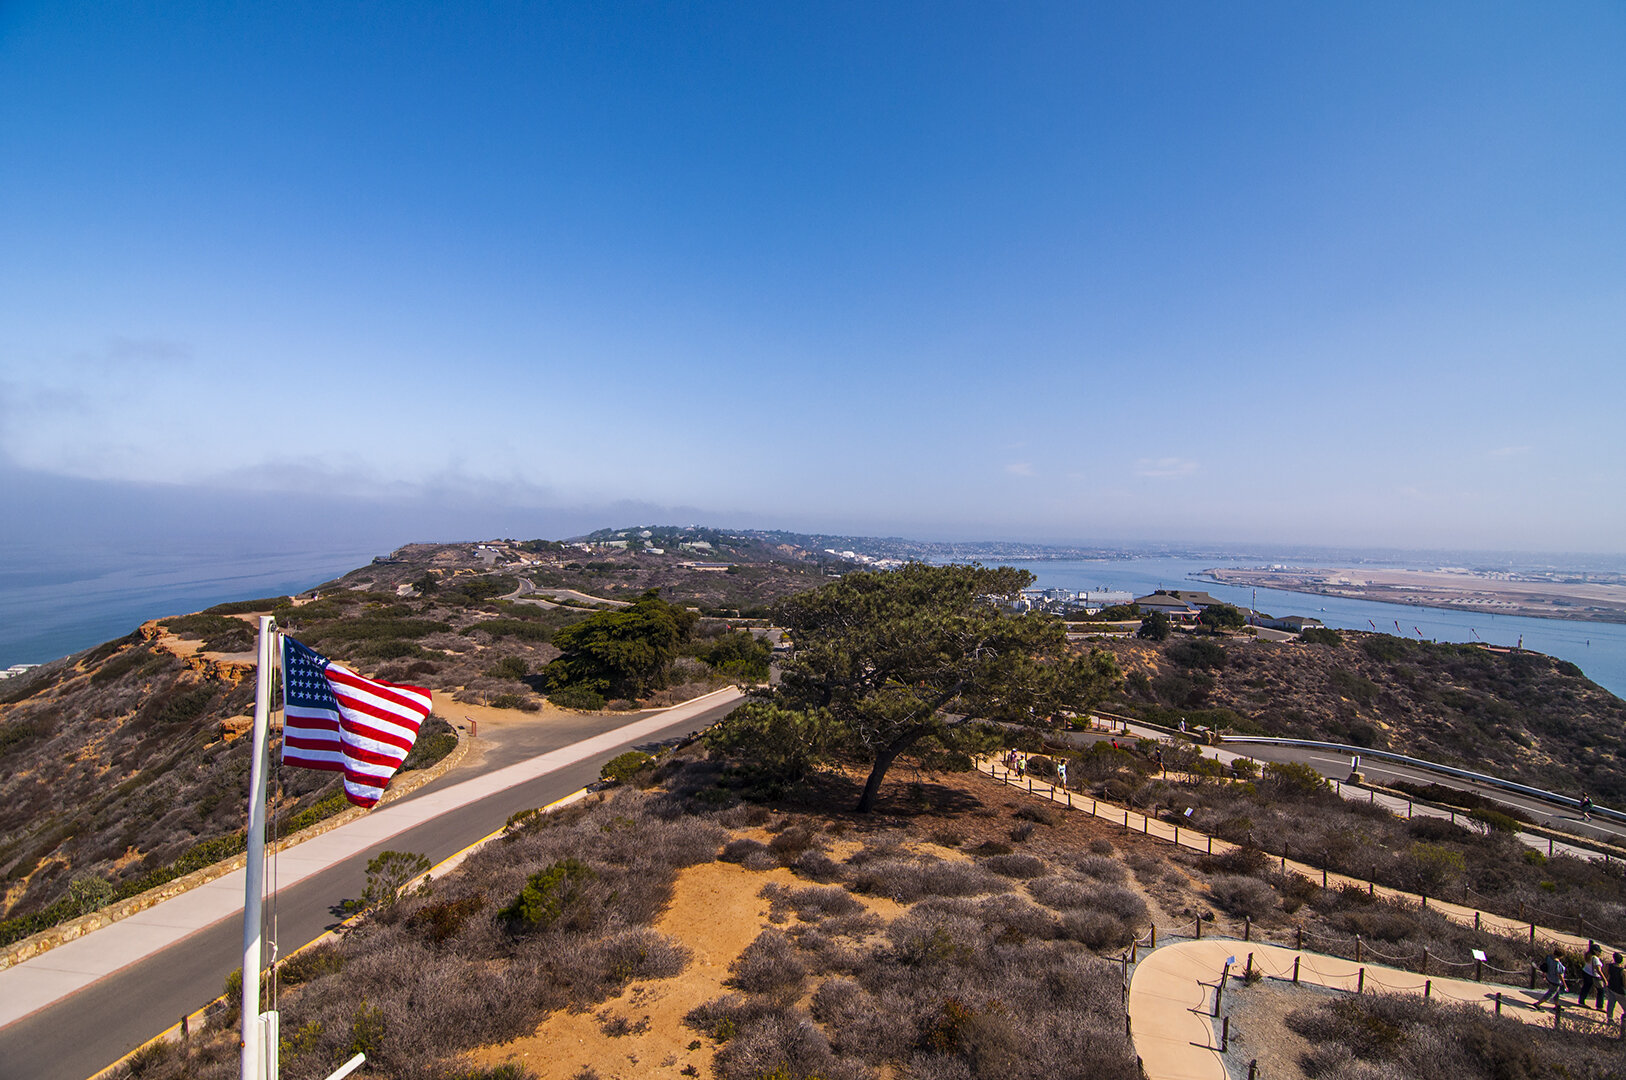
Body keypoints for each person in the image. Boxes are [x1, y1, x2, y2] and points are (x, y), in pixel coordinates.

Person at [1579, 944, 1603, 1008]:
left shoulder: (1588, 955)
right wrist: (1604, 979)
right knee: (1601, 990)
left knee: (1585, 988)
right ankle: (1599, 1006)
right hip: (1594, 976)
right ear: (1594, 951)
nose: (1600, 952)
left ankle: (1581, 1001)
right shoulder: (1595, 959)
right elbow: (1598, 970)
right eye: (1598, 951)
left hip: (1586, 972)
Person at [1604, 952, 1625, 1019]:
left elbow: (1606, 975)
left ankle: (1609, 1018)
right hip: (1620, 990)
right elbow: (1625, 983)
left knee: (1611, 1003)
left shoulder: (1609, 966)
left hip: (1611, 987)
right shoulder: (1623, 971)